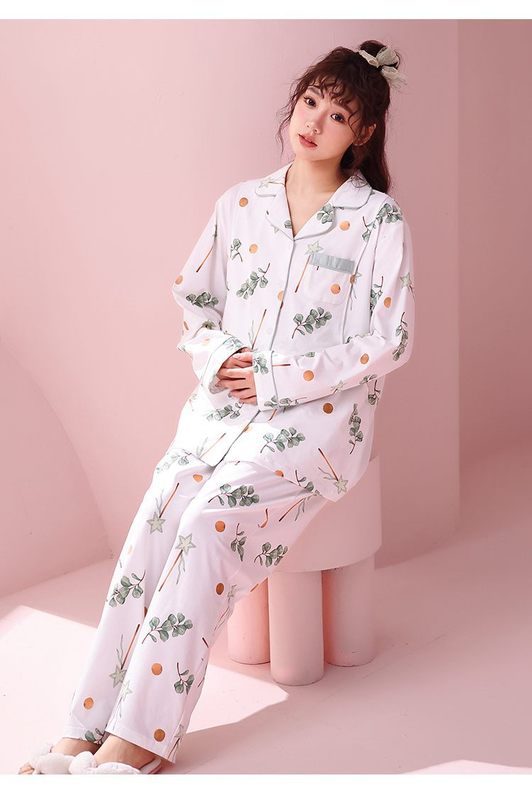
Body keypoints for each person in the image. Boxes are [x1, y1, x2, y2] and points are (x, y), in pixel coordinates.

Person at [19, 39, 414, 775]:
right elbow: (194, 303)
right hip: (221, 414)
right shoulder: (240, 205)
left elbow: (390, 338)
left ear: (361, 132)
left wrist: (278, 377)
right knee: (154, 521)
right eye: (310, 102)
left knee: (205, 525)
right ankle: (85, 723)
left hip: (314, 425)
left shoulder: (376, 222)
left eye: (337, 115)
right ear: (294, 103)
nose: (314, 123)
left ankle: (143, 736)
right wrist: (219, 356)